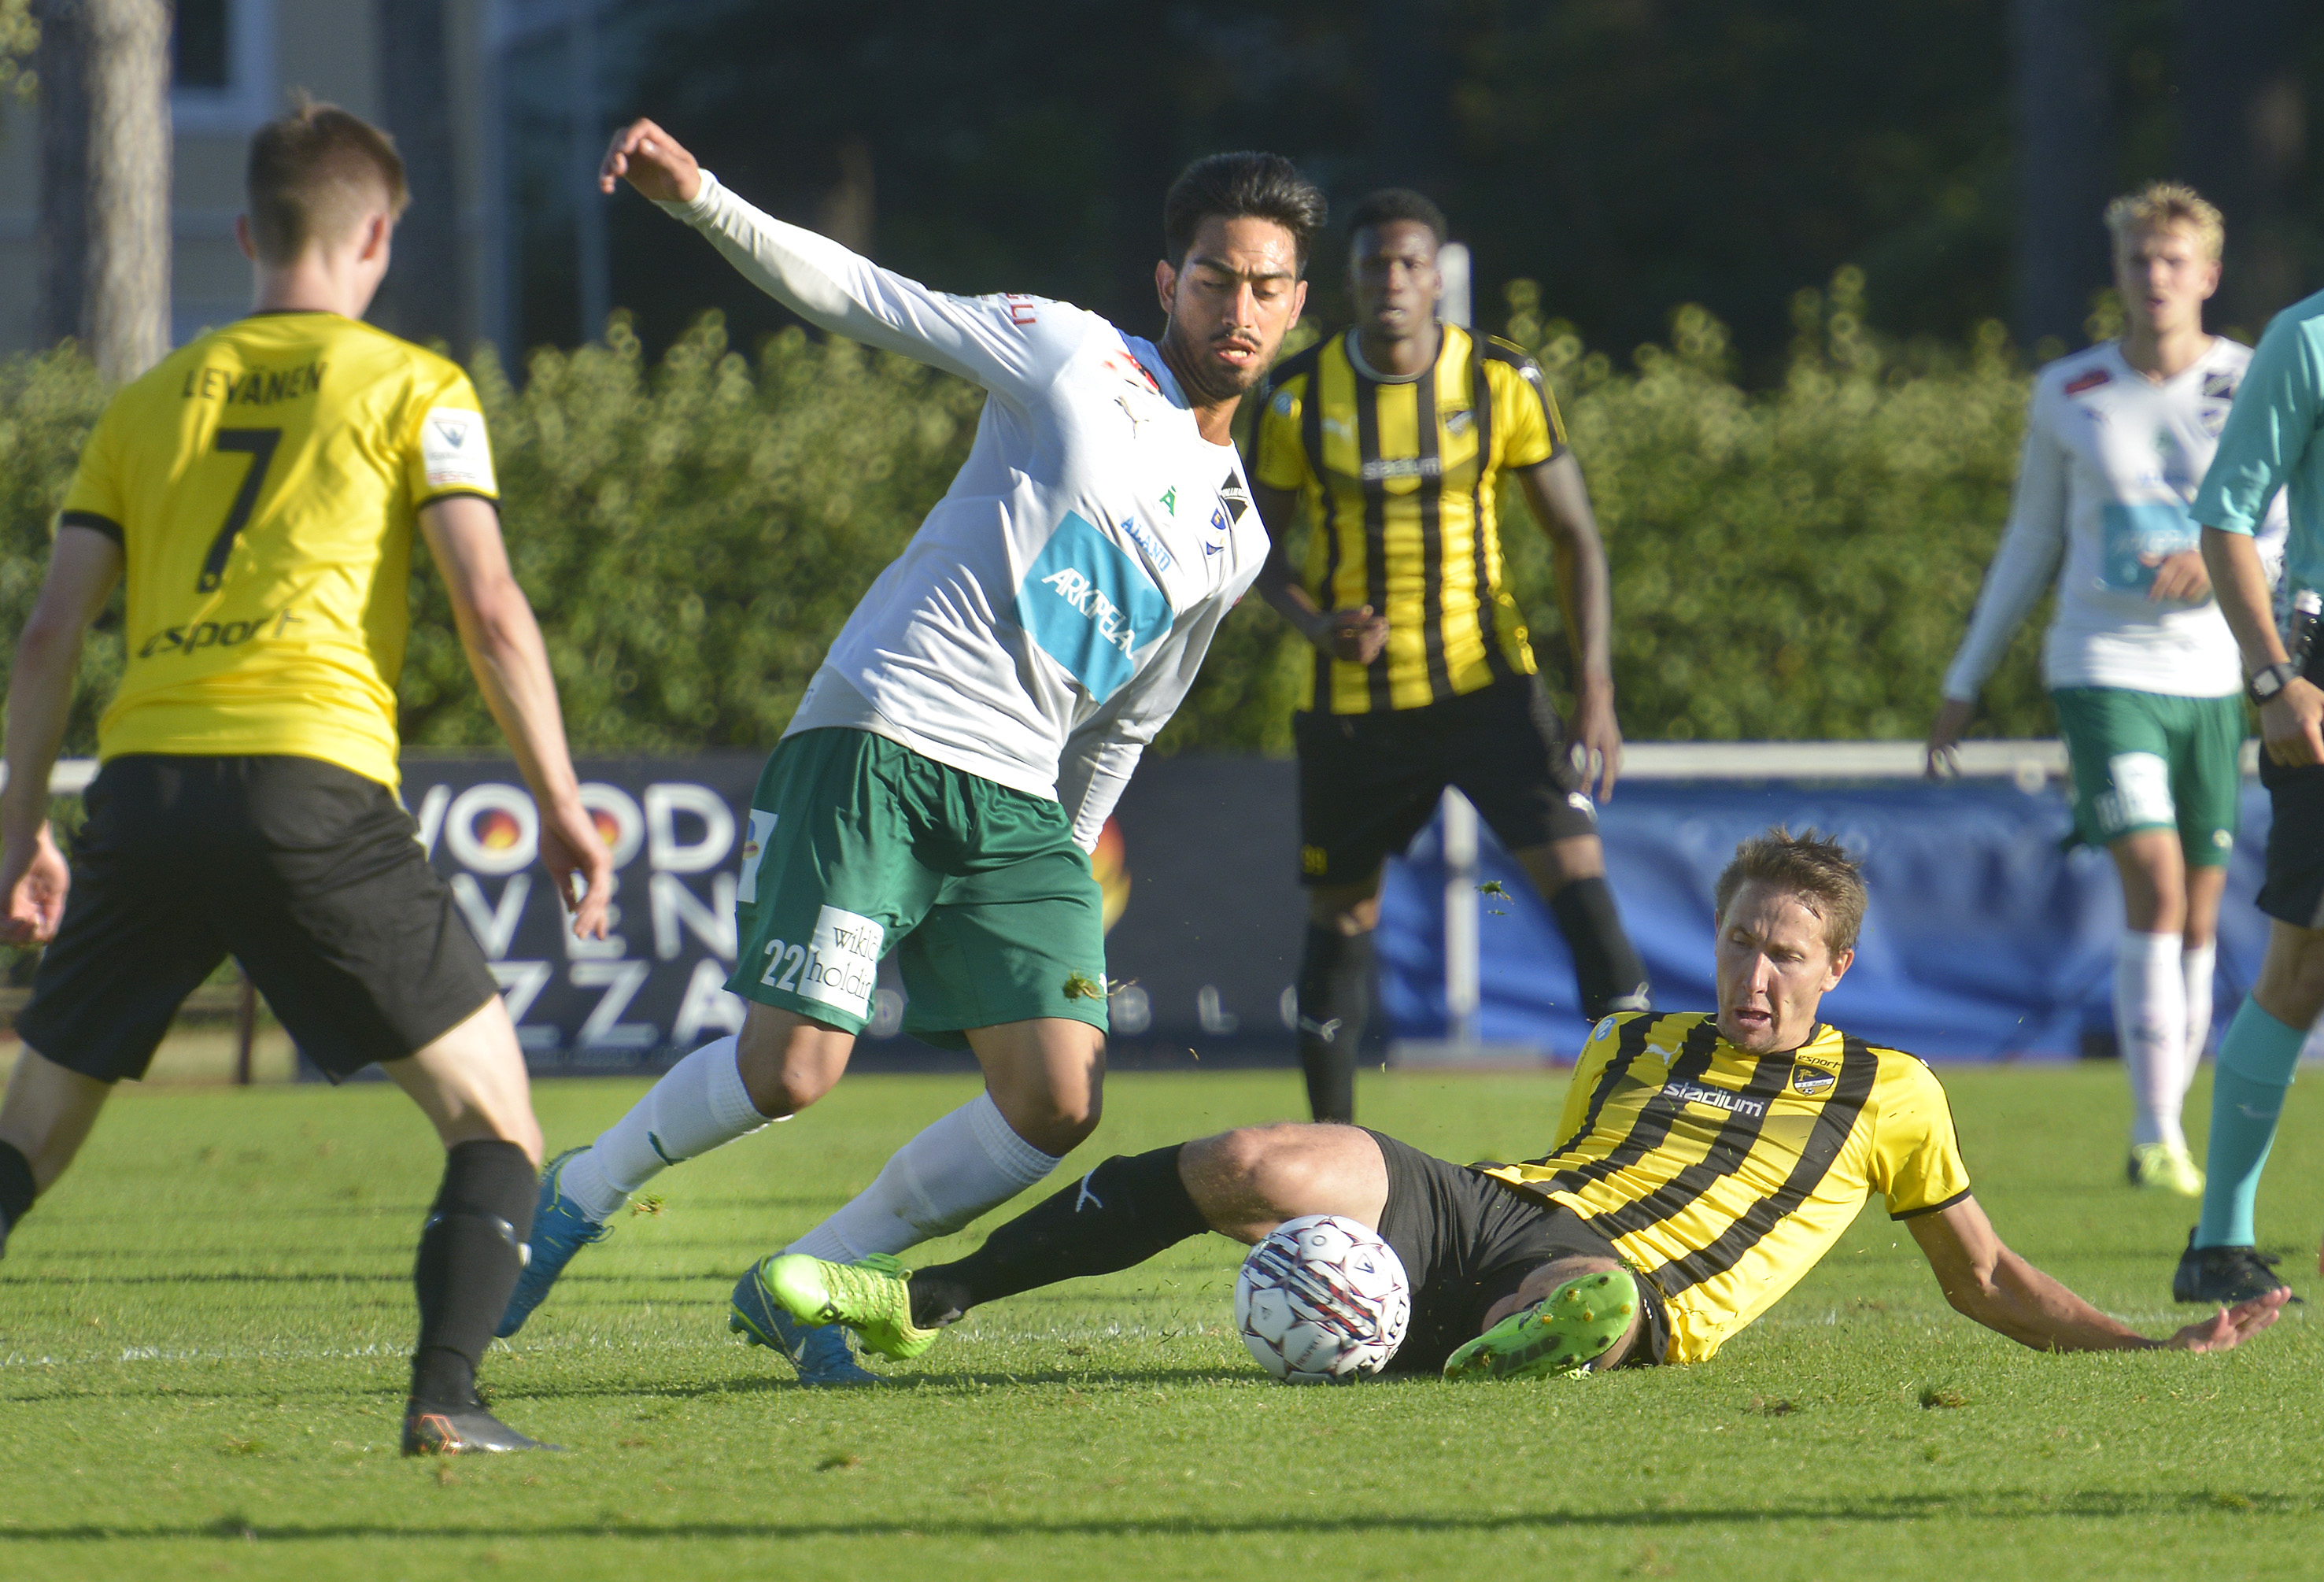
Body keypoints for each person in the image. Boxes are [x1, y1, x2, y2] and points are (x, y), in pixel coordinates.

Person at [493, 119, 1321, 1385]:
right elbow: (870, 298)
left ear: (1296, 304)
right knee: (791, 1071)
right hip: (884, 732)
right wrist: (701, 197)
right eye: (1216, 278)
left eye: (1266, 286)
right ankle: (582, 1191)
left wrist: (1068, 847)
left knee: (1057, 1101)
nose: (1239, 308)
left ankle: (810, 1278)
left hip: (1020, 804)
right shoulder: (1073, 355)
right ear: (1170, 281)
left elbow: (1129, 718)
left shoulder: (1238, 535)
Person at [750, 828, 2285, 1377]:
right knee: (1250, 1155)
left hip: (1628, 1285)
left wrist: (2141, 1346)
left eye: (1783, 954)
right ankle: (922, 1300)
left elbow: (1985, 1277)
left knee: (1590, 1301)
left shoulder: (1892, 1093)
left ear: (1836, 968)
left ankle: (1480, 1346)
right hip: (1493, 1206)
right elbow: (1564, 1168)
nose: (1752, 972)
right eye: (1737, 941)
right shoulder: (1637, 1044)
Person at [0, 100, 613, 1454]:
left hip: (147, 791)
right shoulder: (415, 387)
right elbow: (490, 608)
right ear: (377, 235)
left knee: (29, 1131)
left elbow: (50, 633)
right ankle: (448, 1398)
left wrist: (20, 830)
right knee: (493, 1121)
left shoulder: (145, 403)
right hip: (307, 784)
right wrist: (562, 803)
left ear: (246, 234)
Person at [1249, 188, 1648, 1125]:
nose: (1391, 280)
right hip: (1355, 706)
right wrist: (1316, 624)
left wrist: (1594, 688)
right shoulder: (1297, 396)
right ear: (1347, 282)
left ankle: (1635, 1137)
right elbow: (1253, 550)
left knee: (1582, 891)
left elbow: (1575, 537)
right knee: (1342, 921)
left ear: (1438, 278)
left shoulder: (1500, 381)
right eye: (1373, 265)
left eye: (1409, 264)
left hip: (1487, 690)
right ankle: (1331, 1155)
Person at [1928, 183, 2285, 1196]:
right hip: (2101, 669)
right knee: (2157, 885)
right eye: (2139, 259)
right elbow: (2031, 537)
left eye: (2173, 260)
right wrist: (1964, 677)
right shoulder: (2070, 390)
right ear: (2118, 271)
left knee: (2201, 910)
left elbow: (2282, 524)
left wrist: (2221, 564)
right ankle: (2152, 1131)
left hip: (2212, 675)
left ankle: (2171, 1119)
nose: (2155, 277)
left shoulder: (2249, 379)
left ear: (2208, 275)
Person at [2169, 258, 2324, 1303]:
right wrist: (2273, 680)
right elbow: (2225, 518)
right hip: (2318, 671)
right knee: (2304, 961)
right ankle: (2218, 1242)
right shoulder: (2305, 338)